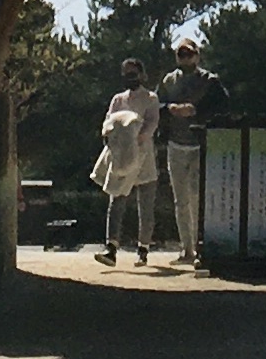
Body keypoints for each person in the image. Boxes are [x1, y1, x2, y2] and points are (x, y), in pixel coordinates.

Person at [156, 37, 230, 267]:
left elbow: (223, 105)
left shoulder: (210, 81)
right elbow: (154, 105)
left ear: (197, 55)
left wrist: (196, 110)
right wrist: (169, 108)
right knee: (180, 200)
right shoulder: (168, 81)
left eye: (189, 54)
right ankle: (186, 248)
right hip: (175, 144)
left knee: (198, 197)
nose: (185, 58)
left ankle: (200, 248)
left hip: (201, 144)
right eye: (181, 54)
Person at [94, 60, 162, 265]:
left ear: (142, 75)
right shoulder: (118, 99)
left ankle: (143, 249)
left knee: (146, 205)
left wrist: (136, 138)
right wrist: (112, 139)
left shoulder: (151, 98)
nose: (129, 78)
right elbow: (108, 122)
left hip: (144, 156)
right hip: (121, 156)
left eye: (133, 74)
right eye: (126, 74)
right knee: (116, 200)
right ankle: (111, 248)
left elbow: (152, 124)